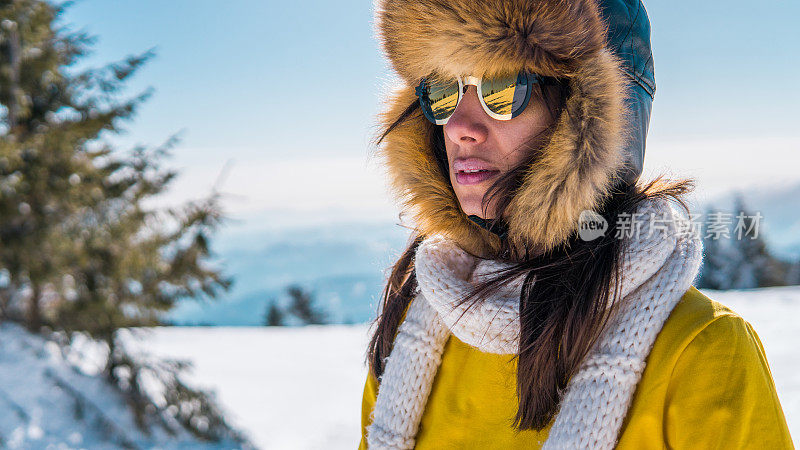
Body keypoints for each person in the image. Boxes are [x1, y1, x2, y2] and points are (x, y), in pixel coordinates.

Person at [359, 0, 794, 448]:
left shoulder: (703, 351)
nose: (460, 127)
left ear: (587, 114)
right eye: (445, 91)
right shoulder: (410, 330)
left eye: (503, 88)